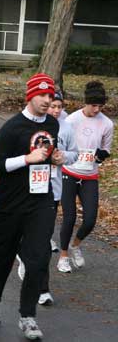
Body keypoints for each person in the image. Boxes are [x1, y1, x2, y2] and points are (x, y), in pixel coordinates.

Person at [0, 73, 66, 340]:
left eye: (50, 96)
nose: (46, 100)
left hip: (41, 202)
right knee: (1, 258)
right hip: (9, 204)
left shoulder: (53, 125)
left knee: (39, 259)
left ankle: (27, 316)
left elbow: (50, 153)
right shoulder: (12, 127)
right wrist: (26, 159)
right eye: (41, 95)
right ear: (30, 96)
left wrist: (56, 159)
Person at [18, 91, 77, 306]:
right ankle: (23, 256)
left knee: (43, 240)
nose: (56, 110)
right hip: (26, 189)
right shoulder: (28, 124)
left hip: (52, 190)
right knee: (23, 235)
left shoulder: (66, 127)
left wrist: (64, 158)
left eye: (59, 106)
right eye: (52, 106)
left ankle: (42, 288)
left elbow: (75, 153)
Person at [58, 80, 113, 273]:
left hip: (90, 175)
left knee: (90, 219)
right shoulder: (72, 120)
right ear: (86, 102)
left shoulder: (107, 123)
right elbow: (61, 145)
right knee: (69, 217)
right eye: (93, 105)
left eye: (100, 106)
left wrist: (100, 155)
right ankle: (63, 256)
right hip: (69, 173)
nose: (97, 109)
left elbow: (106, 149)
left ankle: (75, 245)